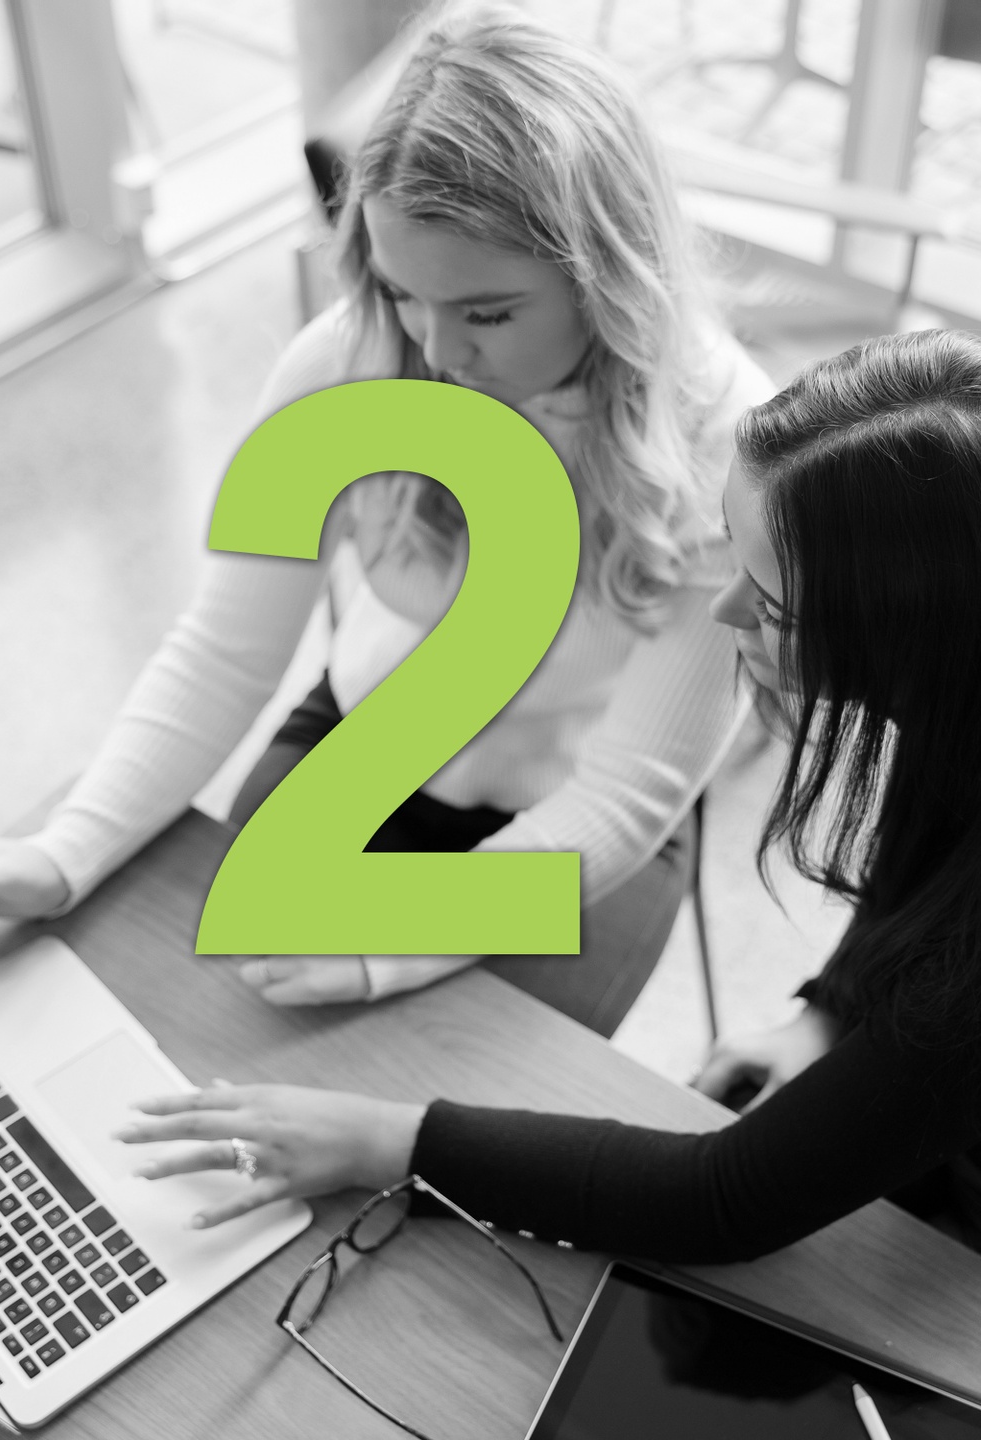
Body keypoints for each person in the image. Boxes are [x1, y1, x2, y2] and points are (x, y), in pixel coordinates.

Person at [0, 3, 771, 1034]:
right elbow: (224, 651)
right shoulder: (344, 360)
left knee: (458, 1105)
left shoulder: (731, 446)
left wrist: (390, 943)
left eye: (488, 313)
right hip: (366, 741)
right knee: (196, 1019)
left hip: (583, 813)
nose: (437, 353)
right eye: (403, 293)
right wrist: (64, 851)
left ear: (610, 276)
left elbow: (626, 797)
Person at [114, 328, 981, 1261]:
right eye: (733, 555)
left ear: (917, 625)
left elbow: (722, 1199)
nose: (724, 612)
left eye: (772, 606)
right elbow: (922, 868)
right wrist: (830, 1008)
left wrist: (385, 1142)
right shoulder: (953, 696)